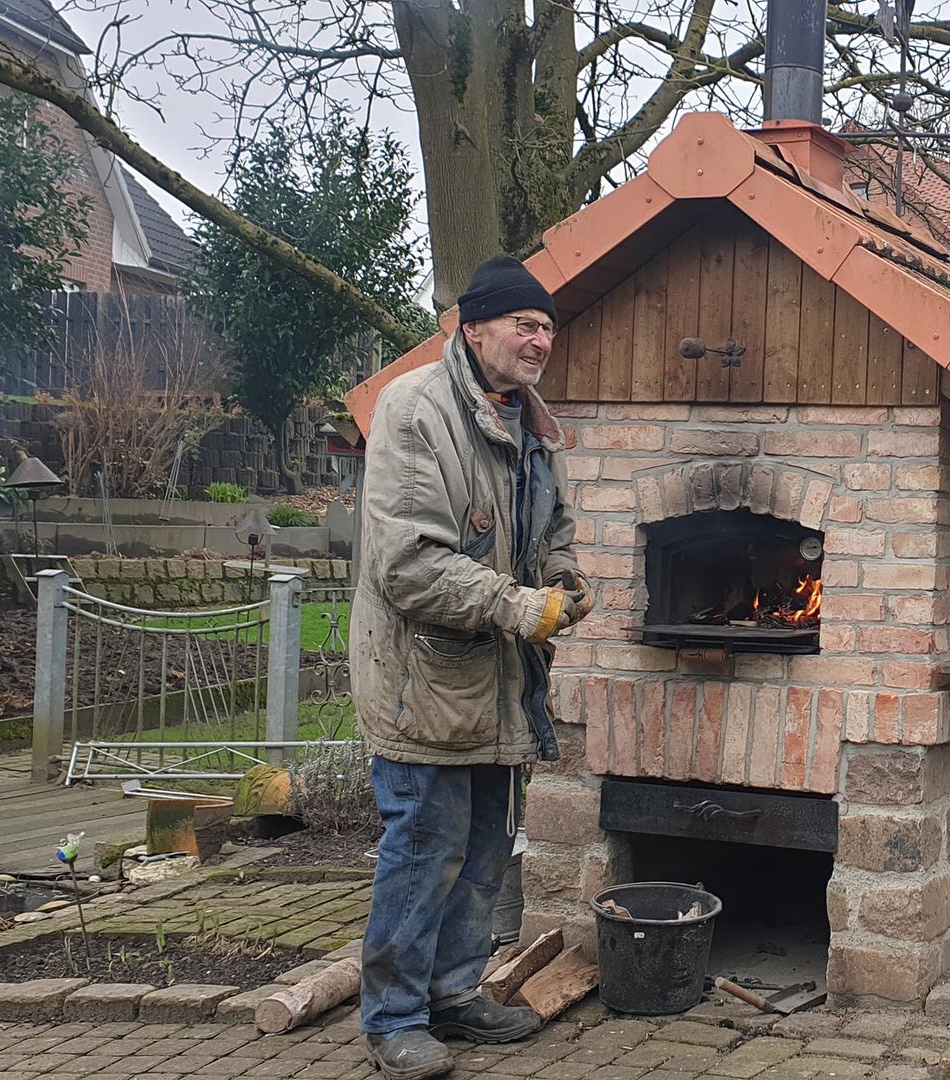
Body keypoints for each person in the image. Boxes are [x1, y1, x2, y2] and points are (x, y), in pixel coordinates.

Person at [351, 254, 591, 1080]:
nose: (539, 340)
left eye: (548, 328)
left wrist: (563, 581)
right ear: (474, 325)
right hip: (425, 682)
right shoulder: (414, 410)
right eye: (524, 325)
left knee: (485, 848)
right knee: (424, 849)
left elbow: (550, 533)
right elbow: (409, 565)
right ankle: (392, 1020)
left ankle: (453, 994)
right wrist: (524, 609)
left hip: (498, 685)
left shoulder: (533, 426)